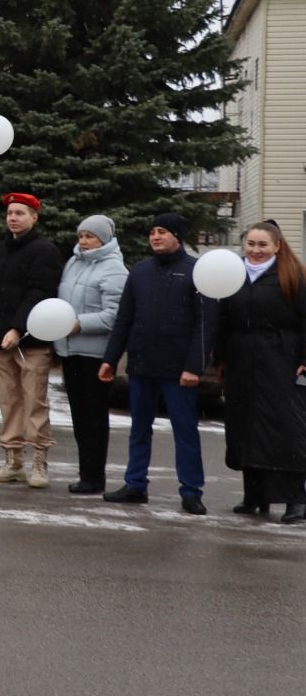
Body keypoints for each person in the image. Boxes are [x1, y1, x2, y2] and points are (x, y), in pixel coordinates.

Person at [99, 213, 218, 514]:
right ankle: (135, 483)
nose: (155, 237)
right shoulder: (139, 272)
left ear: (177, 236)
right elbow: (124, 319)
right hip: (142, 364)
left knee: (185, 430)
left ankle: (191, 490)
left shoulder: (196, 272)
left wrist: (195, 366)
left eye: (162, 231)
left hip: (179, 370)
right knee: (139, 428)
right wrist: (110, 360)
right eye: (152, 231)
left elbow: (206, 324)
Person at [218, 221, 306, 523]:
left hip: (282, 358)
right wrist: (220, 356)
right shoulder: (233, 274)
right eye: (251, 244)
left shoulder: (293, 276)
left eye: (263, 245)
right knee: (244, 425)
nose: (256, 251)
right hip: (241, 359)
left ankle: (297, 500)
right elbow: (223, 319)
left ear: (277, 247)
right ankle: (254, 495)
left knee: (285, 429)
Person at [0, 192, 64, 487]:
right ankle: (13, 461)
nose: (13, 218)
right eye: (10, 213)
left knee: (34, 402)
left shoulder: (45, 251)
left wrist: (18, 329)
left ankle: (39, 462)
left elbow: (39, 292)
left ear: (34, 217)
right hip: (1, 341)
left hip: (31, 342)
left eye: (20, 213)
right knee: (9, 402)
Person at [51, 215, 126, 493]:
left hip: (94, 355)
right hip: (70, 351)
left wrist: (80, 323)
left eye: (89, 236)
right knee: (80, 416)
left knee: (94, 418)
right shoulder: (73, 263)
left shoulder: (114, 269)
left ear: (104, 239)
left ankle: (94, 477)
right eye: (81, 235)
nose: (83, 241)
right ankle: (86, 473)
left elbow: (116, 314)